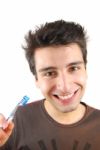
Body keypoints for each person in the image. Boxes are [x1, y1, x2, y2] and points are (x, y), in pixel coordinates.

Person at [0, 19, 100, 150]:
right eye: (49, 73)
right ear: (36, 79)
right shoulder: (15, 122)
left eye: (74, 68)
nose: (64, 87)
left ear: (85, 70)